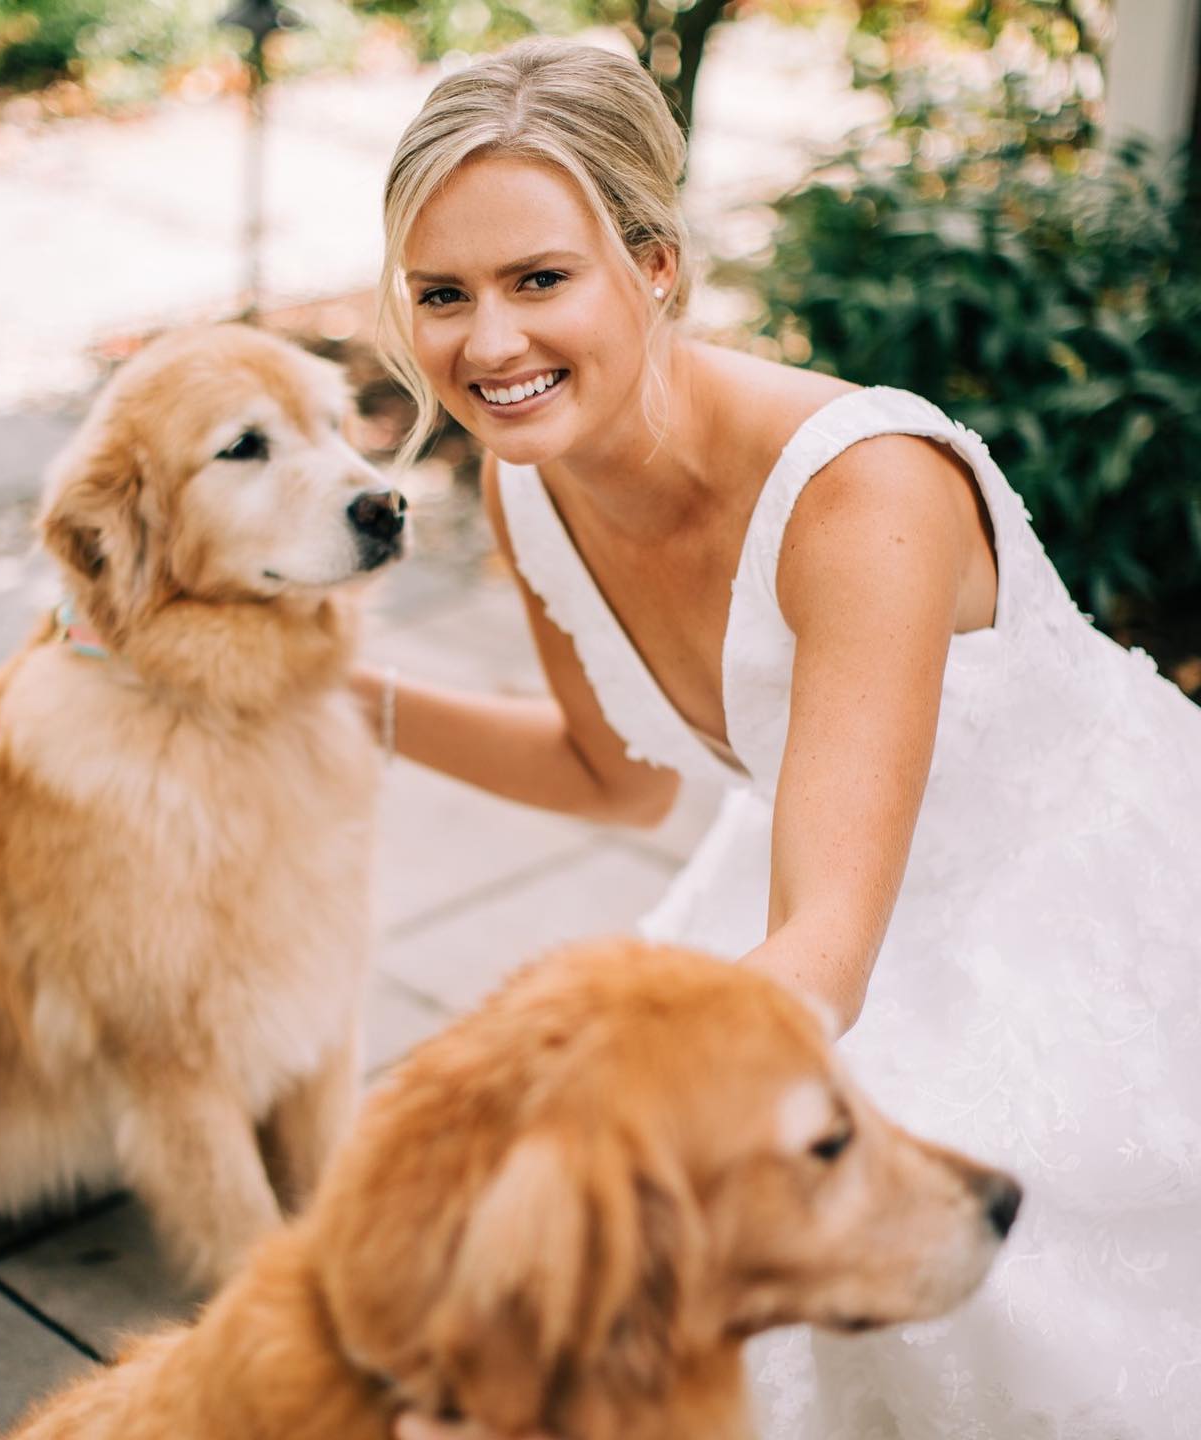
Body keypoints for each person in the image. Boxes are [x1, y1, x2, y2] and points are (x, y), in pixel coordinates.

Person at [351, 37, 1201, 1440]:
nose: (486, 345)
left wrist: (604, 1130)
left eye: (539, 280)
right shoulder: (536, 480)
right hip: (824, 885)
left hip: (1049, 902)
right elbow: (609, 779)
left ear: (658, 265)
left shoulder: (863, 494)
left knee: (868, 1263)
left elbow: (826, 954)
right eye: (442, 295)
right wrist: (330, 697)